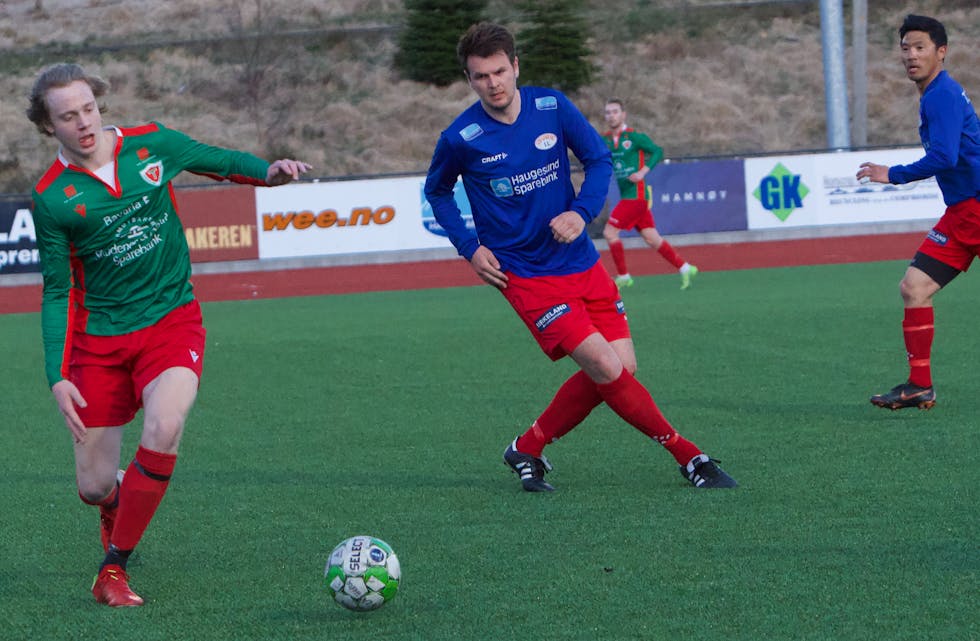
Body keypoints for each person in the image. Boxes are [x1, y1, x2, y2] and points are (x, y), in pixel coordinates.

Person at [27, 62, 311, 607]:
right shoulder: (52, 197)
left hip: (170, 320)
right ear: (48, 127)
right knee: (92, 485)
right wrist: (56, 377)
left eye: (88, 108)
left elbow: (218, 161)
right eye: (68, 116)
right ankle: (114, 501)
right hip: (100, 342)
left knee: (165, 424)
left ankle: (113, 569)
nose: (84, 122)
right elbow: (57, 292)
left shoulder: (152, 143)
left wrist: (266, 171)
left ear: (99, 104)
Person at [424, 22, 735, 493]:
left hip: (580, 261)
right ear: (469, 80)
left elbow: (597, 161)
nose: (493, 83)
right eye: (481, 76)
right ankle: (689, 456)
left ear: (516, 66)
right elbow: (438, 193)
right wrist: (469, 247)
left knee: (621, 369)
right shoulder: (461, 137)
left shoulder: (551, 106)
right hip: (525, 275)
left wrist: (581, 212)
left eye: (499, 71)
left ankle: (527, 447)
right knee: (606, 368)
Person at [858, 15, 980, 411]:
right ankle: (919, 385)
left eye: (920, 47)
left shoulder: (940, 95)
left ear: (941, 52)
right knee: (915, 288)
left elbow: (945, 156)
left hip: (975, 207)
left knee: (914, 288)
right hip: (964, 212)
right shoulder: (935, 94)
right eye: (906, 48)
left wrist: (891, 175)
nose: (911, 55)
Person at [601, 99, 698, 290]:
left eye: (615, 111)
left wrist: (643, 172)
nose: (611, 115)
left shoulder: (634, 137)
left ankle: (624, 276)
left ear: (623, 114)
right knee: (652, 238)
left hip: (636, 196)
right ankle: (685, 267)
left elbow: (657, 151)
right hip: (627, 196)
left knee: (609, 232)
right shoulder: (604, 139)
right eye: (607, 112)